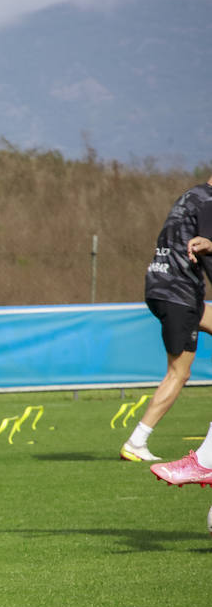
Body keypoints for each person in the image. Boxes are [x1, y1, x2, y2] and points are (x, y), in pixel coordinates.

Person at [121, 176, 212, 462]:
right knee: (179, 372)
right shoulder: (208, 202)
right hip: (178, 294)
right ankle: (137, 442)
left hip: (165, 287)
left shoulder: (191, 197)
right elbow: (204, 249)